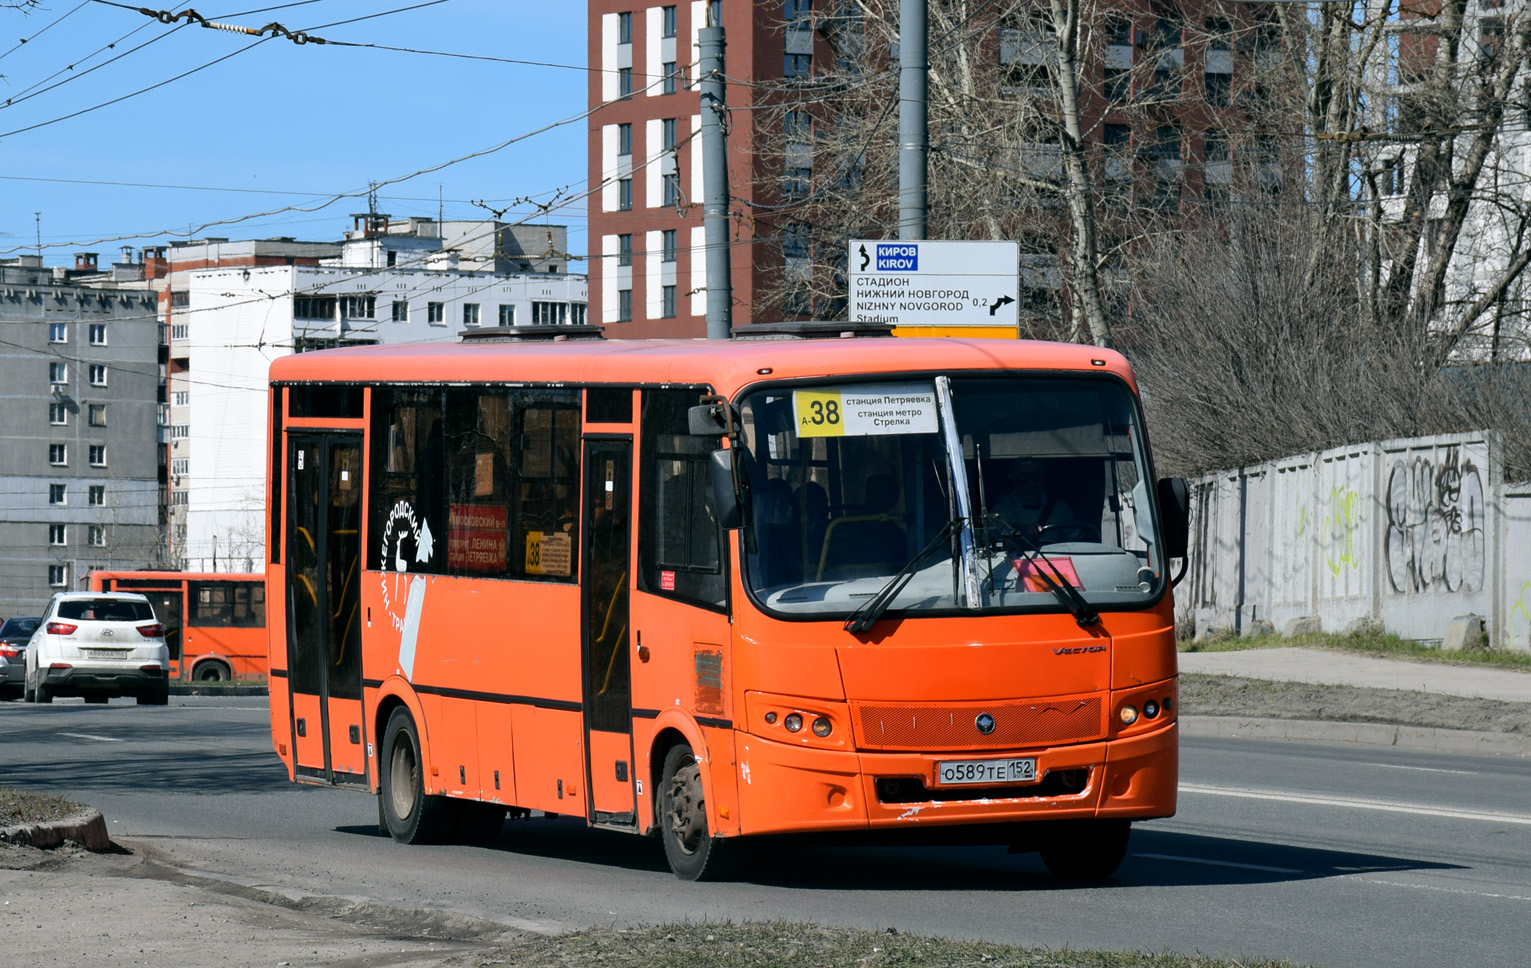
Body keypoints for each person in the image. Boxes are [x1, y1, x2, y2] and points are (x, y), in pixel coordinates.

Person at [990, 457, 1075, 535]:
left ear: (1044, 477)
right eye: (1023, 478)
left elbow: (1075, 539)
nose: (1031, 484)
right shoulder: (1001, 510)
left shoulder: (1060, 508)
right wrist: (1017, 531)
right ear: (1013, 480)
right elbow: (996, 536)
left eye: (1036, 477)